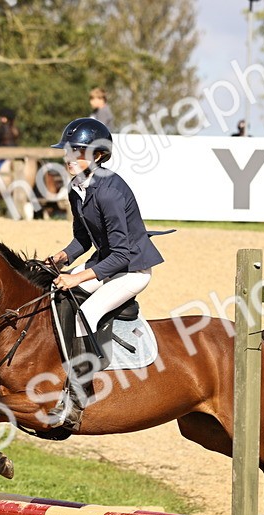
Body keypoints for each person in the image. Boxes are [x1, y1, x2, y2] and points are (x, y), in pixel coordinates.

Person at [47, 117, 162, 428]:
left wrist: (77, 276)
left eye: (78, 152)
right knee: (57, 295)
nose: (70, 158)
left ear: (98, 155)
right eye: (68, 151)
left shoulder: (109, 191)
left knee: (87, 311)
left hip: (131, 269)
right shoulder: (76, 188)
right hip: (107, 262)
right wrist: (60, 258)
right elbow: (83, 240)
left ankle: (78, 396)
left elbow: (123, 254)